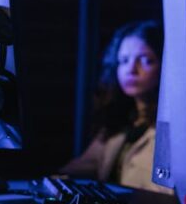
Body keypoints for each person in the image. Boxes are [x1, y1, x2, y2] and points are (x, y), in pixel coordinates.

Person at [60, 19, 166, 194]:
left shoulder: (173, 128)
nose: (131, 69)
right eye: (123, 60)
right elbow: (88, 163)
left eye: (146, 60)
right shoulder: (122, 117)